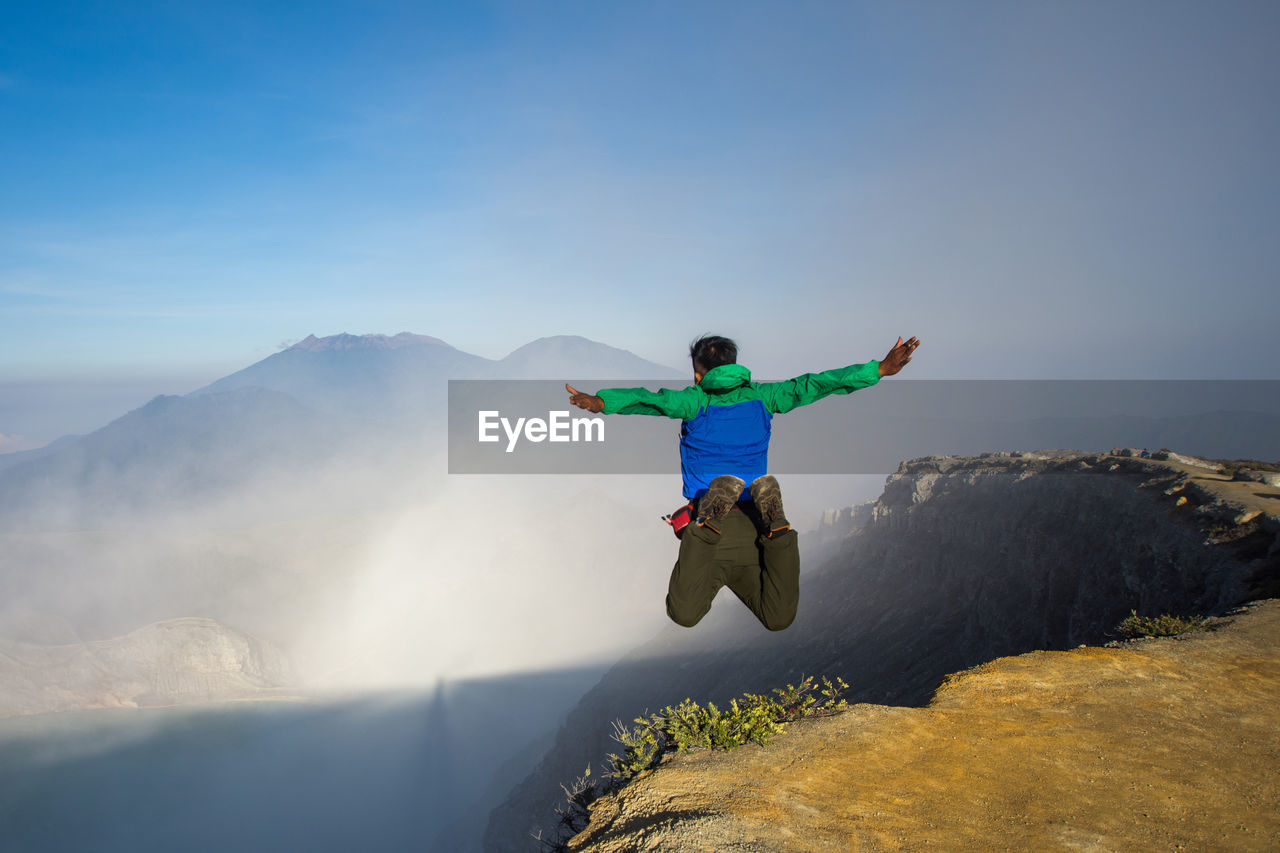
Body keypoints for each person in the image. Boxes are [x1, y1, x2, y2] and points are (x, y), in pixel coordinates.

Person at [566, 334, 920, 630]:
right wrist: (879, 370)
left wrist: (601, 401)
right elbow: (816, 384)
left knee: (684, 613)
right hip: (755, 526)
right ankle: (778, 528)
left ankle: (709, 522)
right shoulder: (765, 397)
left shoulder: (695, 400)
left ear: (698, 374)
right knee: (778, 617)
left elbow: (649, 400)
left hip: (711, 529)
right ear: (735, 365)